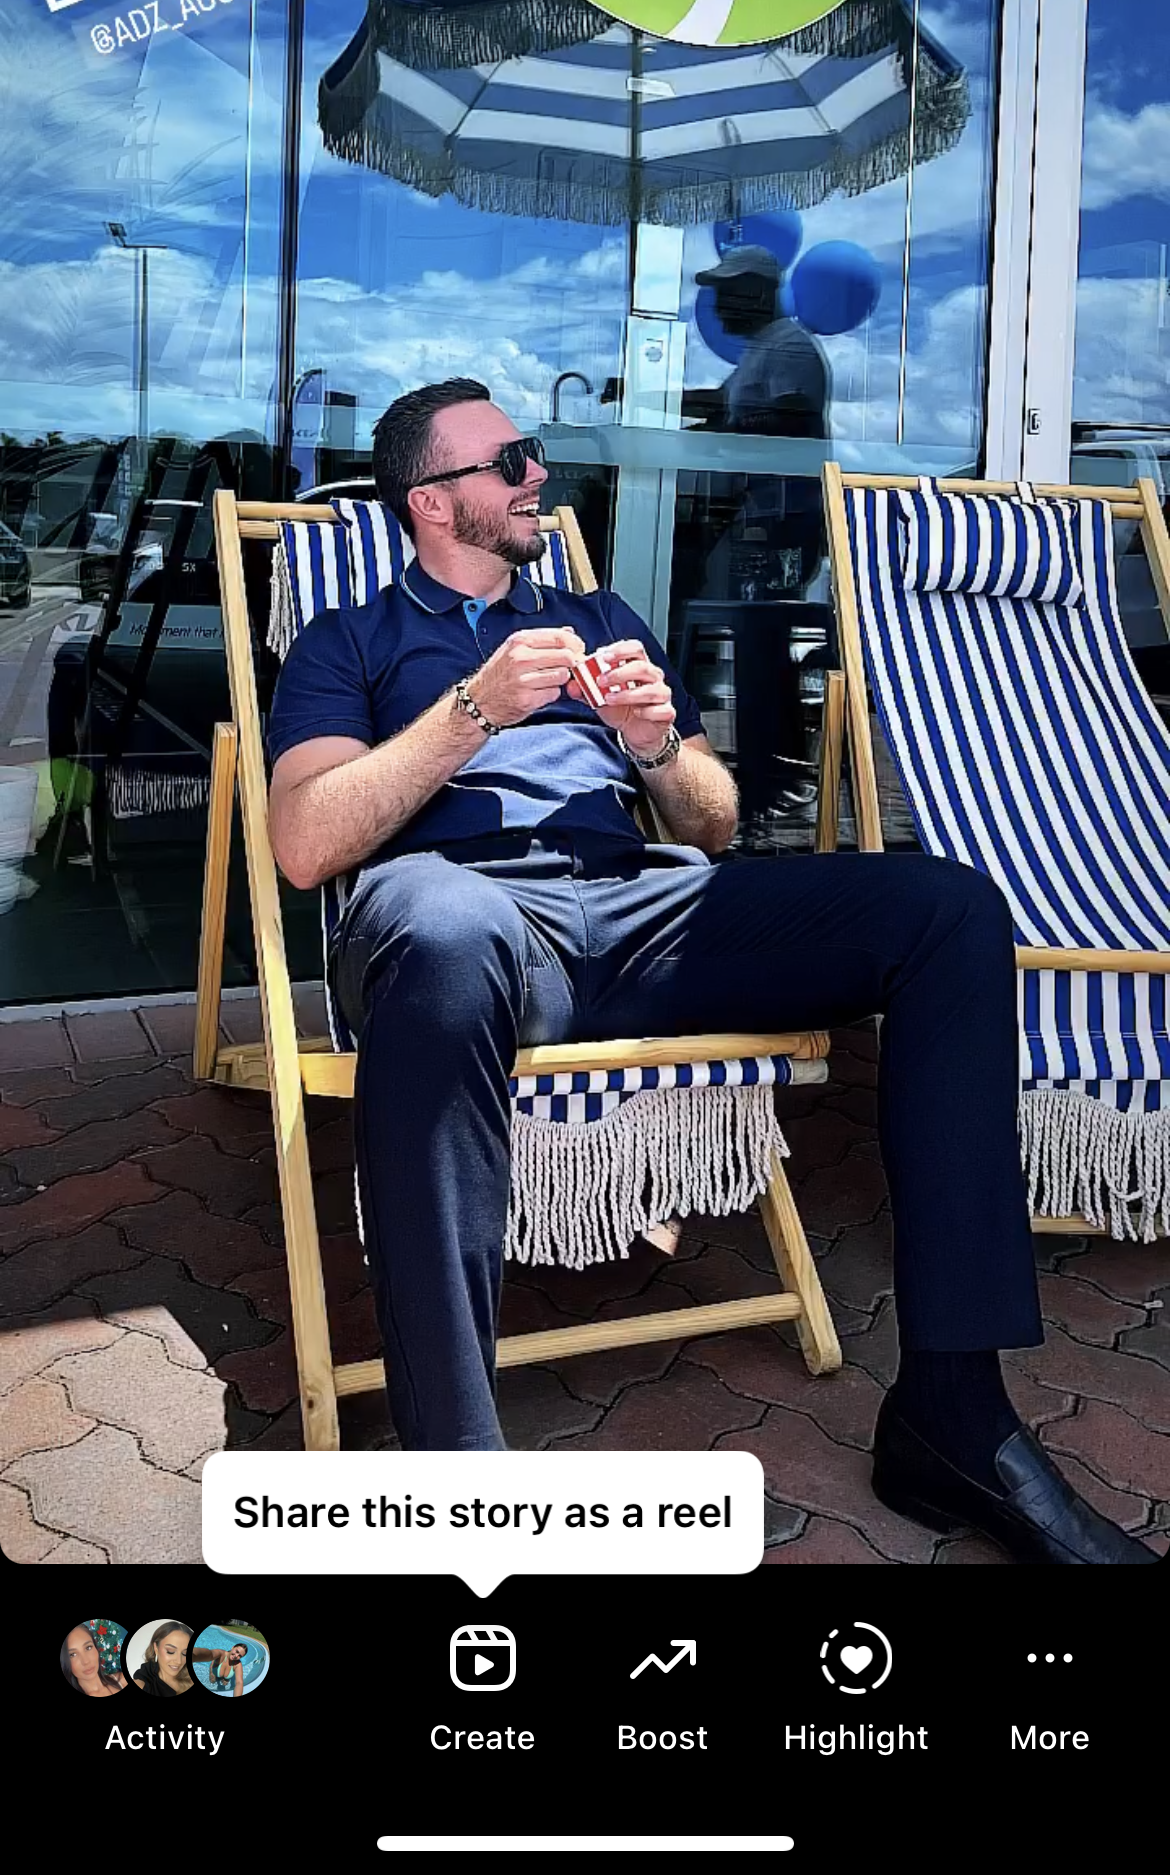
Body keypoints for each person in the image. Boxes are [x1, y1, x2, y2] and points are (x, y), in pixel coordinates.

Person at [267, 378, 1155, 1565]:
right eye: (510, 460)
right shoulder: (349, 641)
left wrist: (653, 748)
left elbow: (715, 824)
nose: (540, 475)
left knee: (945, 909)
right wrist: (472, 709)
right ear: (433, 500)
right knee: (440, 925)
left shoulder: (597, 614)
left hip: (644, 912)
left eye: (535, 454)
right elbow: (306, 841)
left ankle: (955, 1413)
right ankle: (455, 1479)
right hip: (476, 923)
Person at [692, 244, 830, 841]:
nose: (719, 305)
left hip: (784, 521)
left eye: (728, 292)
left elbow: (792, 416)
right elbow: (725, 405)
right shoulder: (760, 351)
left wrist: (723, 425)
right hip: (761, 516)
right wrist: (661, 399)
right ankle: (767, 777)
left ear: (758, 292)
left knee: (764, 649)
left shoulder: (790, 346)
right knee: (757, 648)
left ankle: (785, 783)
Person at [61, 1625, 126, 1696]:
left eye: (88, 1647)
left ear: (96, 1648)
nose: (86, 1661)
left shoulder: (122, 1680)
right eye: (72, 1654)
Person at [133, 1623, 194, 1697]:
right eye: (170, 1651)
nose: (179, 1661)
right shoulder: (144, 1684)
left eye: (185, 1653)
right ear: (156, 1648)